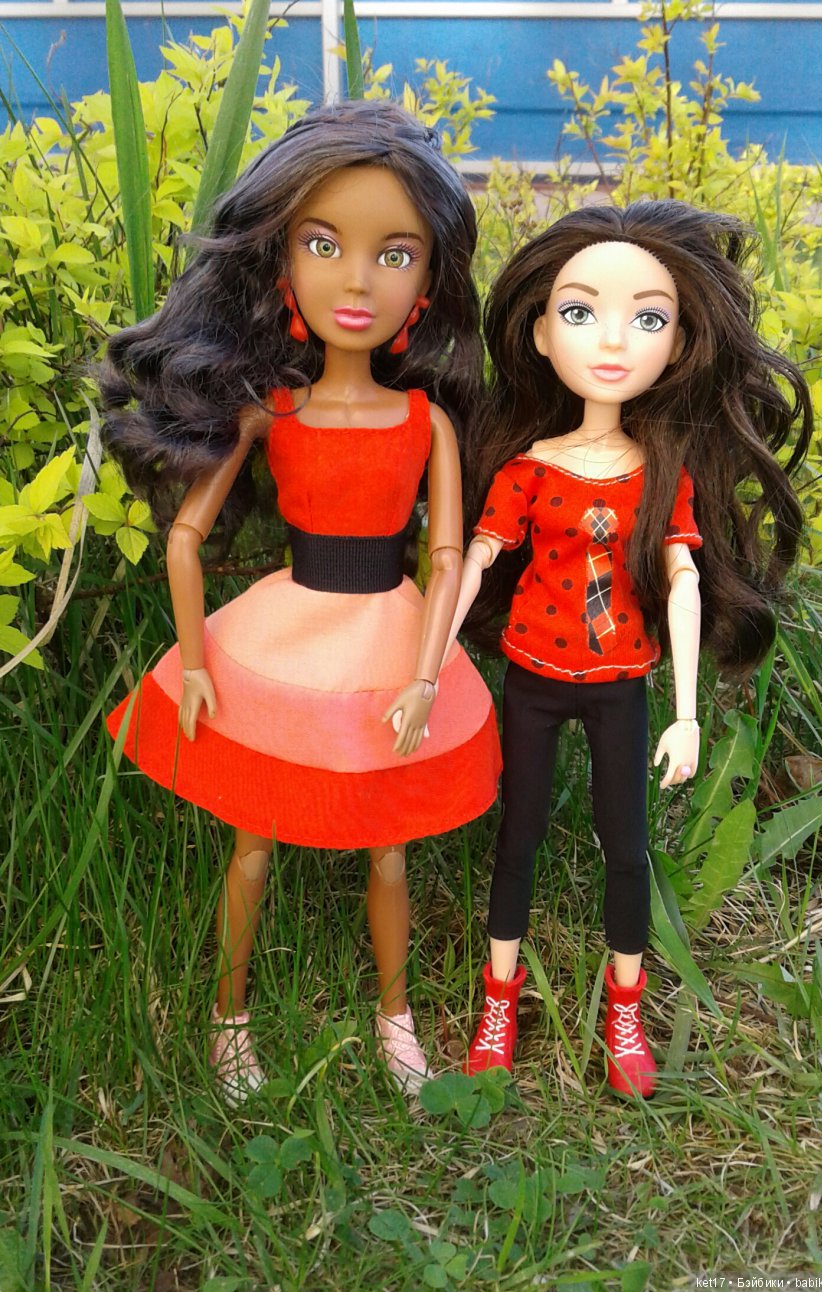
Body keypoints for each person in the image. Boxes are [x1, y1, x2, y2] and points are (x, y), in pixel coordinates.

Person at [100, 101, 501, 1105]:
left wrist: (423, 675)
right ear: (280, 263)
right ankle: (228, 1015)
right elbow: (185, 537)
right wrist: (196, 662)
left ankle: (396, 1017)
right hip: (283, 632)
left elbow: (445, 555)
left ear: (427, 283)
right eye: (323, 245)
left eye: (394, 254)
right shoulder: (268, 412)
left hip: (386, 635)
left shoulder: (426, 420)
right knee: (253, 840)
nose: (356, 281)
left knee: (389, 847)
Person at [447, 201, 811, 1097]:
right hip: (533, 674)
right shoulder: (529, 468)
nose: (612, 340)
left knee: (627, 846)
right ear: (540, 333)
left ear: (679, 344)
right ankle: (500, 996)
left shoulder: (661, 473)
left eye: (647, 319)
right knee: (518, 837)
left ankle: (625, 1008)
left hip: (621, 683)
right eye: (581, 312)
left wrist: (687, 714)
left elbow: (684, 581)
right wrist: (429, 666)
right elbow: (478, 557)